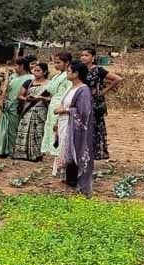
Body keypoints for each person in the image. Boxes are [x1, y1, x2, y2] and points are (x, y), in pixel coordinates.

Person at [56, 61, 95, 195]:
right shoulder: (71, 88)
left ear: (76, 73)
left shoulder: (83, 90)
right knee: (66, 152)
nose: (66, 73)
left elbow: (84, 112)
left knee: (75, 152)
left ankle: (77, 183)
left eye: (68, 71)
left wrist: (65, 110)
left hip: (74, 126)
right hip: (65, 124)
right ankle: (69, 180)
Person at [80, 48, 123, 161]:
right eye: (82, 55)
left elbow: (117, 79)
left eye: (86, 55)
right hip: (82, 102)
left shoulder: (98, 70)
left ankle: (93, 153)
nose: (83, 57)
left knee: (94, 128)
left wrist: (103, 91)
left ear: (93, 57)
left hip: (94, 104)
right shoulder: (79, 70)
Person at [0, 58, 32, 157]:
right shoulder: (13, 76)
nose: (14, 68)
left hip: (19, 106)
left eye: (16, 65)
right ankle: (2, 149)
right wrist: (2, 100)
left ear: (22, 66)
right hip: (8, 105)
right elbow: (7, 90)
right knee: (3, 127)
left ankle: (13, 151)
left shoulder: (31, 78)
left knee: (14, 129)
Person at [12, 63, 51, 161]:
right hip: (28, 110)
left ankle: (36, 154)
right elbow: (20, 95)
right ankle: (22, 153)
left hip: (41, 111)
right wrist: (27, 98)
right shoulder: (29, 82)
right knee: (24, 130)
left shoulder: (50, 84)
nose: (35, 72)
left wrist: (41, 98)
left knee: (38, 132)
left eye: (38, 71)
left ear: (45, 72)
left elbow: (52, 98)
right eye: (34, 70)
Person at [42, 52, 73, 172]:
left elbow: (67, 94)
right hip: (53, 105)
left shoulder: (68, 77)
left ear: (67, 63)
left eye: (59, 62)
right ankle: (57, 166)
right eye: (55, 62)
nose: (56, 65)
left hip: (61, 105)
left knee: (60, 134)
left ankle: (61, 167)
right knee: (54, 133)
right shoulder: (57, 76)